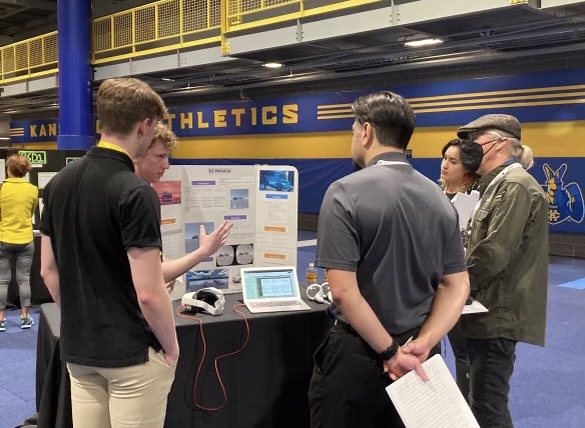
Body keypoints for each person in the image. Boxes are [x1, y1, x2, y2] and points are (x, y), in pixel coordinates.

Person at [308, 91, 470, 428]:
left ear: (366, 132)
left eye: (353, 131)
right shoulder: (440, 200)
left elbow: (343, 292)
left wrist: (391, 354)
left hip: (359, 358)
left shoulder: (343, 192)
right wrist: (422, 344)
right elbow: (457, 285)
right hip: (422, 357)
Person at [40, 77, 179, 428]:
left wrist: (81, 319)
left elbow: (48, 271)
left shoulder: (57, 184)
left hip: (80, 351)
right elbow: (148, 293)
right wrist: (171, 347)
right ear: (144, 125)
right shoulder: (135, 192)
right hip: (131, 355)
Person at [456, 114, 548, 427]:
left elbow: (494, 253)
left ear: (501, 144)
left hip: (496, 315)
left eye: (476, 142)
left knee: (488, 407)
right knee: (483, 401)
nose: (469, 150)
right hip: (487, 312)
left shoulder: (514, 186)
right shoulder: (496, 186)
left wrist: (452, 285)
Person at [133, 122, 233, 293]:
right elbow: (149, 275)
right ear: (138, 154)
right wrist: (204, 251)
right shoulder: (140, 196)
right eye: (160, 156)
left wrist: (163, 271)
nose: (166, 165)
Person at [439, 138, 484, 401]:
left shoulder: (477, 203)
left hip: (460, 286)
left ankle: (464, 405)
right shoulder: (433, 194)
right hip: (429, 285)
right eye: (444, 158)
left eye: (452, 161)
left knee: (462, 351)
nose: (444, 165)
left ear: (468, 170)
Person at [0, 154, 38, 332]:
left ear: (9, 170)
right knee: (24, 280)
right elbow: (31, 213)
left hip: (4, 239)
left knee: (2, 281)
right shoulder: (32, 189)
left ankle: (1, 320)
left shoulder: (1, 189)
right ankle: (25, 317)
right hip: (26, 239)